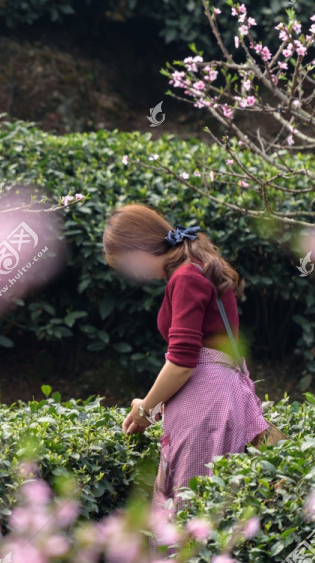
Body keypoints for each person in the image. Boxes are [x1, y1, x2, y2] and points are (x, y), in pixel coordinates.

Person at [102, 203, 269, 559]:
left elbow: (182, 361)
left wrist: (145, 409)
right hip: (216, 396)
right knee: (203, 513)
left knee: (191, 520)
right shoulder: (194, 270)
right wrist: (148, 407)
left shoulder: (185, 277)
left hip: (204, 406)